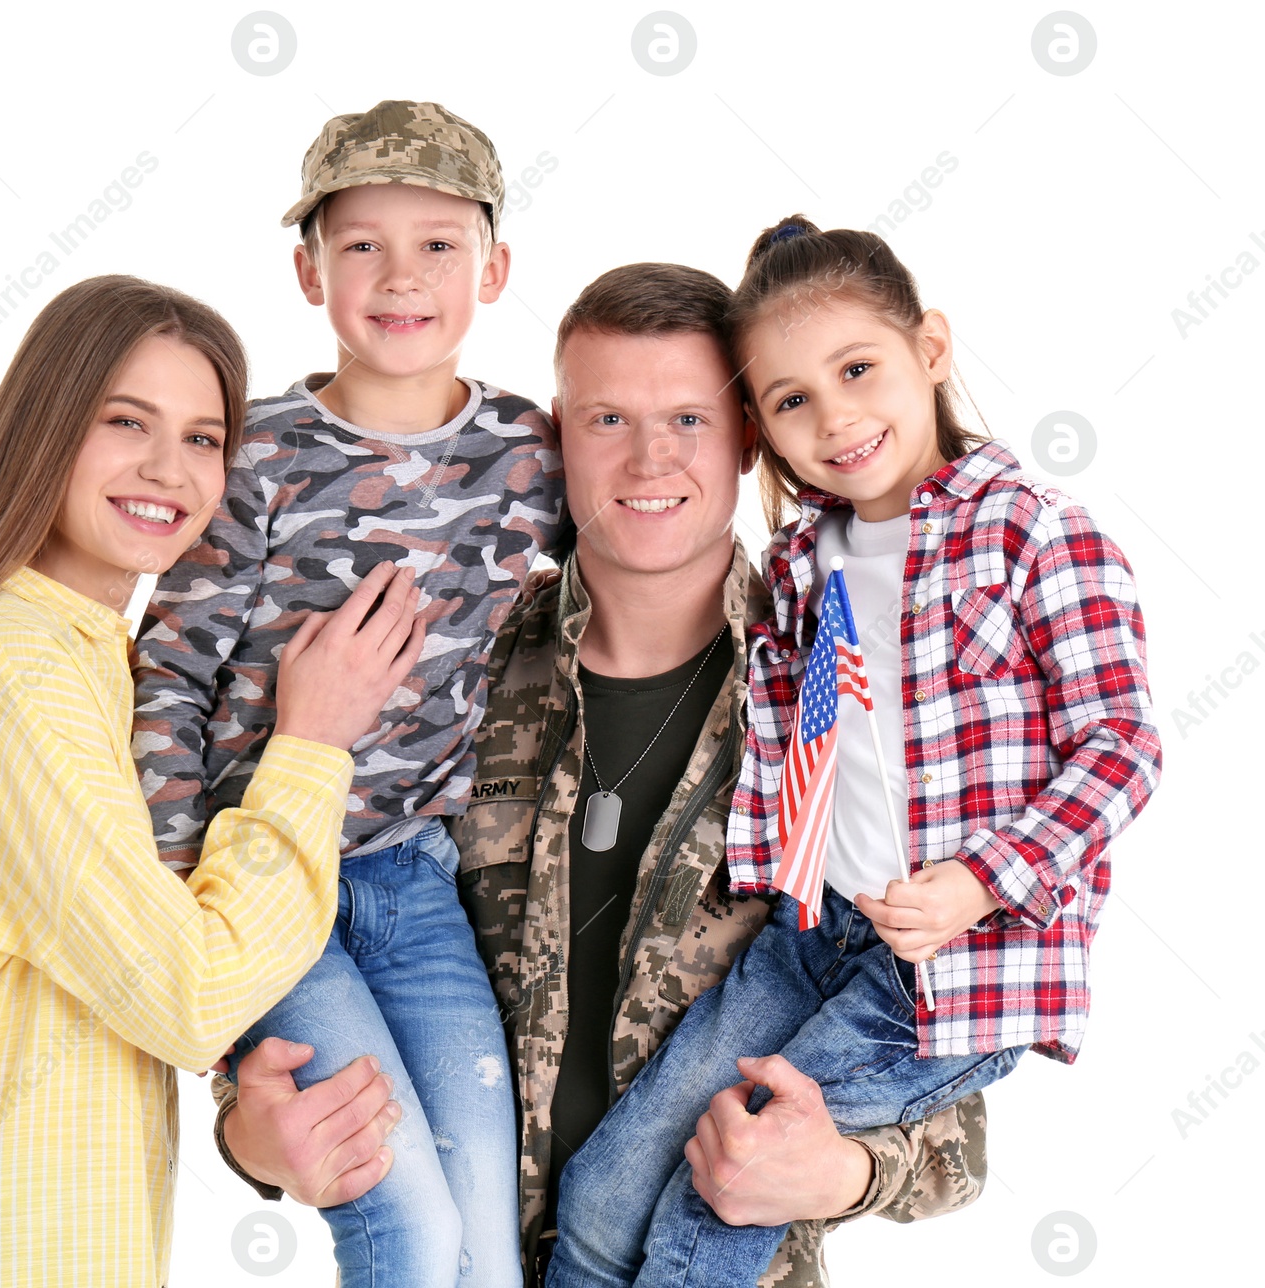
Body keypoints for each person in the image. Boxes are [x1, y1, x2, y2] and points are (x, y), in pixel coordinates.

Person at [210, 262, 992, 1288]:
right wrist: (250, 1134)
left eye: (688, 420)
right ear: (554, 437)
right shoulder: (445, 674)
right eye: (607, 419)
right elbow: (295, 922)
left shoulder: (846, 695)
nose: (647, 458)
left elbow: (951, 1078)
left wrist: (840, 1169)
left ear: (749, 436)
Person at [545, 220, 1163, 1286]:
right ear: (761, 431)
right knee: (600, 1197)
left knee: (724, 1191)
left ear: (929, 347)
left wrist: (979, 881)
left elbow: (1122, 744)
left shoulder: (1031, 534)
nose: (834, 418)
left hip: (940, 971)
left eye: (857, 369)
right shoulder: (797, 563)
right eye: (790, 400)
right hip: (804, 936)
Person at [0, 275, 425, 1288]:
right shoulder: (11, 663)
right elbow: (191, 989)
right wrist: (312, 745)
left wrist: (238, 1123)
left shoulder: (103, 668)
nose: (168, 470)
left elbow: (126, 989)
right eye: (126, 422)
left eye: (204, 439)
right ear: (45, 429)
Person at [131, 101, 562, 1286]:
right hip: (261, 880)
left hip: (415, 881)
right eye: (361, 243)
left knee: (486, 1209)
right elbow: (168, 673)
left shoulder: (531, 454)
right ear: (308, 269)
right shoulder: (257, 453)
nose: (400, 274)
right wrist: (186, 916)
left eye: (437, 243)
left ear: (495, 267)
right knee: (401, 1216)